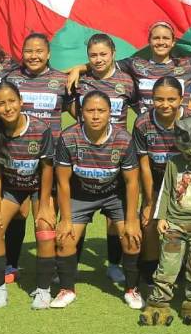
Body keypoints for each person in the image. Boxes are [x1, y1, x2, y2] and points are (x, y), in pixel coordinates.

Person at [54, 90, 142, 309]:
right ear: (81, 113)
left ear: (110, 113)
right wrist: (65, 219)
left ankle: (132, 290)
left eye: (101, 111)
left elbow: (132, 183)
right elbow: (63, 183)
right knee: (64, 239)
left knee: (132, 238)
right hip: (81, 194)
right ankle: (67, 289)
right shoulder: (68, 137)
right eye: (90, 110)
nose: (95, 116)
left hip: (114, 194)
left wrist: (132, 220)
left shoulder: (123, 139)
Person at [140, 115, 191, 326]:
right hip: (175, 225)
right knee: (167, 267)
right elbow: (165, 191)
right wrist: (161, 217)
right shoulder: (172, 163)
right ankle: (158, 304)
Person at [0, 33, 71, 283]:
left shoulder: (62, 80)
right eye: (28, 51)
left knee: (46, 213)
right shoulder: (11, 78)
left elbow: (76, 111)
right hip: (16, 157)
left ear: (49, 54)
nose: (34, 56)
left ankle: (49, 266)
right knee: (18, 213)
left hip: (49, 160)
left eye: (39, 51)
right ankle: (10, 264)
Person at [71, 33, 138, 284]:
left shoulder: (126, 81)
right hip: (84, 155)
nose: (98, 59)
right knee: (80, 212)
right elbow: (69, 105)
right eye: (93, 55)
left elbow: (139, 108)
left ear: (113, 54)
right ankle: (71, 264)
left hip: (116, 156)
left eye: (103, 54)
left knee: (114, 216)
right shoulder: (80, 80)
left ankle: (114, 264)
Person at [0, 81, 56, 309]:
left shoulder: (40, 129)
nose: (8, 107)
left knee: (44, 227)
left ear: (21, 101)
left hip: (37, 188)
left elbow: (47, 169)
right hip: (12, 188)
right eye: (1, 104)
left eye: (12, 101)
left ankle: (43, 290)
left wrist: (44, 204)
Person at [132, 77, 191, 290]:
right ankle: (150, 275)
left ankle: (187, 271)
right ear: (151, 99)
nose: (165, 104)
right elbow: (144, 165)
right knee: (149, 224)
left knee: (187, 226)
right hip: (157, 183)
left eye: (171, 99)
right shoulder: (143, 123)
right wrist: (150, 202)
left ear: (182, 99)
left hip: (188, 183)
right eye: (159, 99)